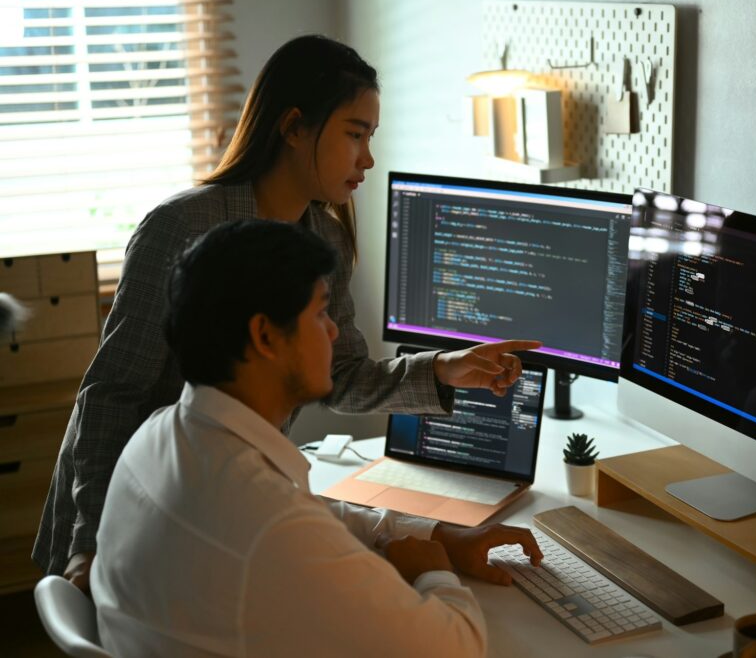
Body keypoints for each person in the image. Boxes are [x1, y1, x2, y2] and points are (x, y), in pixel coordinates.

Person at [33, 34, 541, 592]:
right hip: (132, 511)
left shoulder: (323, 237)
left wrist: (444, 367)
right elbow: (110, 394)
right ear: (295, 126)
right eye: (355, 134)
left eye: (371, 137)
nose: (368, 158)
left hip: (225, 501)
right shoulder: (181, 228)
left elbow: (342, 377)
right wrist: (89, 541)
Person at [91, 220, 540, 656]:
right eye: (321, 313)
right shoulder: (269, 526)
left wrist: (439, 534)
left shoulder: (158, 437)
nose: (333, 332)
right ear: (265, 335)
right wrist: (434, 573)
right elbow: (456, 647)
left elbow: (312, 517)